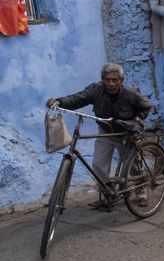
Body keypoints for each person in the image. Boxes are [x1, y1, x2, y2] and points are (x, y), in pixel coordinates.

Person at [46, 63, 153, 209]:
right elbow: (78, 98)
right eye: (107, 79)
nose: (110, 83)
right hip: (106, 131)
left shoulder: (130, 94)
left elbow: (146, 106)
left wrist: (139, 117)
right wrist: (59, 102)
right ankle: (109, 194)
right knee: (98, 164)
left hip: (126, 133)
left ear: (121, 81)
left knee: (131, 165)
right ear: (102, 80)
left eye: (114, 80)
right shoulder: (95, 90)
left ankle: (141, 195)